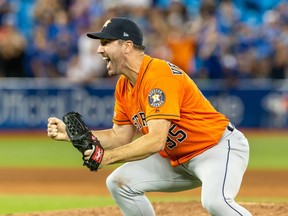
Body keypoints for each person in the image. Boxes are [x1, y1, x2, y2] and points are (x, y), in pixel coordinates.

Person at [47, 17, 252, 216]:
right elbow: (119, 137)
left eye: (106, 42)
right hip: (177, 159)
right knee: (119, 183)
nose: (99, 49)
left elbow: (156, 140)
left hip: (216, 150)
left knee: (215, 202)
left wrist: (107, 157)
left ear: (127, 46)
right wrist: (73, 135)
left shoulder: (158, 76)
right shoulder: (124, 85)